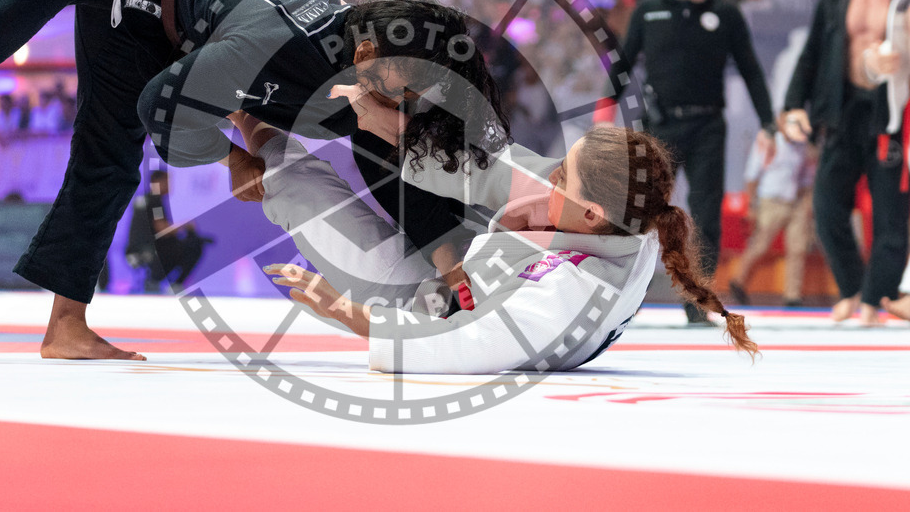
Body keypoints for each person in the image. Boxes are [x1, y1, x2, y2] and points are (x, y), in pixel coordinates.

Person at [0, 0, 509, 360]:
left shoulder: (363, 57)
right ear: (370, 58)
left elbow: (393, 171)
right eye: (408, 94)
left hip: (156, 4)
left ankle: (65, 327)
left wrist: (450, 260)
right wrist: (233, 157)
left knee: (110, 148)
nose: (408, 113)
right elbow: (162, 103)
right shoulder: (278, 45)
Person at [245, 113, 758, 372]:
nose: (551, 176)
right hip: (480, 263)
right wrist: (396, 122)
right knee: (404, 133)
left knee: (307, 198)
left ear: (591, 213)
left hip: (430, 310)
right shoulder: (624, 214)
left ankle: (240, 129)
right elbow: (499, 166)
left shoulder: (573, 295)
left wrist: (346, 312)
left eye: (563, 177)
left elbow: (463, 342)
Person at [596, 0, 777, 323]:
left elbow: (750, 69)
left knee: (708, 214)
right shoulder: (649, 9)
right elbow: (622, 64)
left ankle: (697, 302)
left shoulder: (725, 11)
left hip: (709, 123)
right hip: (659, 123)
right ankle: (619, 297)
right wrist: (602, 113)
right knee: (643, 211)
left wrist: (768, 123)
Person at [782, 0, 907, 325]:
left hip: (890, 114)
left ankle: (878, 298)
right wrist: (793, 106)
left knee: (890, 211)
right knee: (827, 206)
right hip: (842, 109)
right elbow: (811, 55)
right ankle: (854, 289)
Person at [728, 133, 816, 307]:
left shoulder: (804, 144)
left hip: (796, 201)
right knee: (760, 245)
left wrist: (807, 203)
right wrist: (752, 205)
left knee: (797, 249)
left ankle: (793, 296)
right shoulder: (768, 140)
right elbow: (752, 175)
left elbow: (808, 176)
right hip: (771, 200)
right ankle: (738, 280)